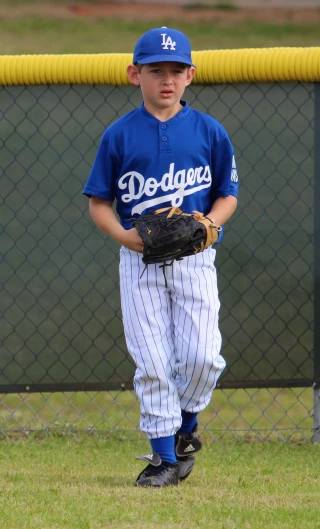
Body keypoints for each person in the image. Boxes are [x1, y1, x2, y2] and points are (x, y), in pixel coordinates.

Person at [83, 27, 239, 487]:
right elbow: (98, 202)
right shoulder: (119, 135)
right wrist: (126, 237)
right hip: (140, 260)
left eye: (175, 71)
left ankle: (186, 430)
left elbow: (227, 195)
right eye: (155, 71)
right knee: (153, 362)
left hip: (194, 258)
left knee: (203, 358)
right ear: (136, 74)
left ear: (190, 75)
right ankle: (163, 458)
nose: (166, 80)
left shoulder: (210, 131)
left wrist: (210, 224)